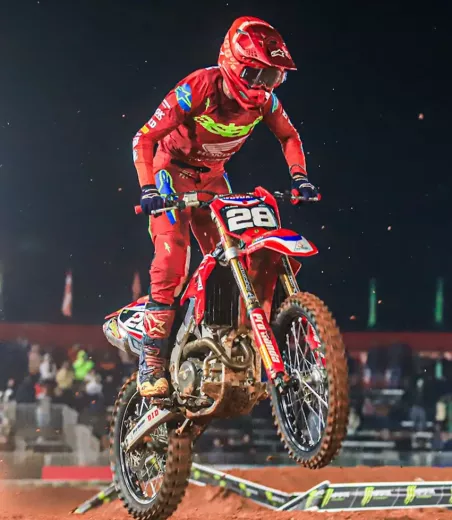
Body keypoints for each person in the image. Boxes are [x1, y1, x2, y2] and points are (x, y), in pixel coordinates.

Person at [133, 16, 319, 397]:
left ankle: (220, 343)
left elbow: (289, 136)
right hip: (170, 173)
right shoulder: (198, 88)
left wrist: (299, 176)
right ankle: (151, 361)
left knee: (232, 256)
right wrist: (148, 188)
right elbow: (144, 138)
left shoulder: (265, 102)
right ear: (234, 64)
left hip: (214, 179)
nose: (263, 86)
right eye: (257, 74)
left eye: (272, 77)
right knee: (172, 258)